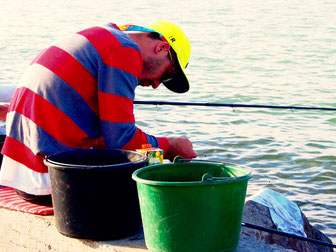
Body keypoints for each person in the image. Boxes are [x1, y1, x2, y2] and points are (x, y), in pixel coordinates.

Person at [0, 20, 197, 205]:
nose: (155, 85)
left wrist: (156, 148)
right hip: (54, 185)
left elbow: (108, 138)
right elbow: (121, 140)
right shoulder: (125, 50)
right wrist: (170, 145)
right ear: (162, 47)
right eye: (167, 74)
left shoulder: (102, 37)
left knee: (143, 158)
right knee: (167, 194)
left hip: (23, 180)